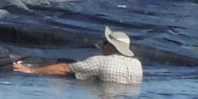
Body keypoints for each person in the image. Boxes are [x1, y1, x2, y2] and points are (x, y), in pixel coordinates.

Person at [12, 27, 144, 83]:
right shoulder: (137, 64)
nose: (102, 45)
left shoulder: (100, 61)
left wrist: (31, 70)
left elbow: (63, 68)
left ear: (112, 46)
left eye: (105, 42)